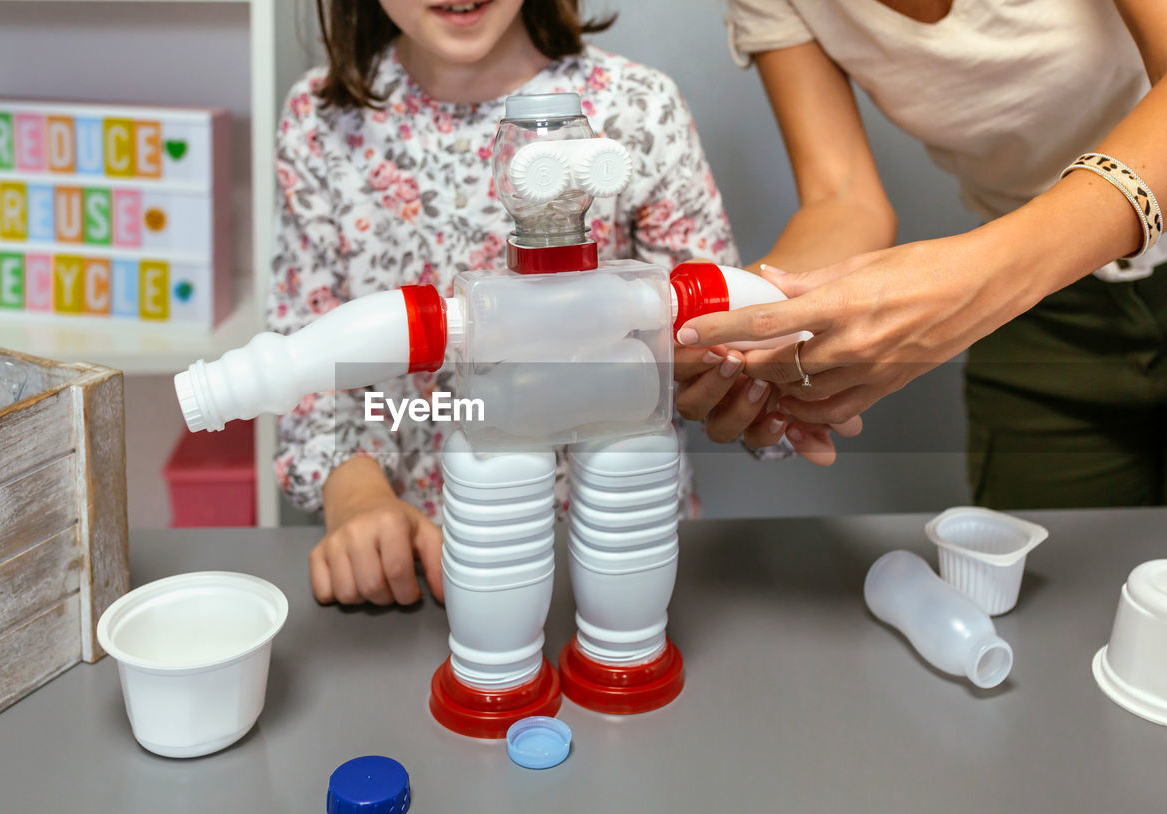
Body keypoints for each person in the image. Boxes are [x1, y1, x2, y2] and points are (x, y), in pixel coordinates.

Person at [270, 0, 857, 607]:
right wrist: (358, 499)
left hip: (627, 544)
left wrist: (779, 380)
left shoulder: (636, 108)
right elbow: (310, 361)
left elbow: (719, 330)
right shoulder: (322, 121)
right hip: (430, 556)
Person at [677, 0, 1167, 509]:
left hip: (1015, 280)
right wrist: (757, 326)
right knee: (1042, 572)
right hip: (1044, 315)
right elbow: (843, 197)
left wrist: (984, 278)